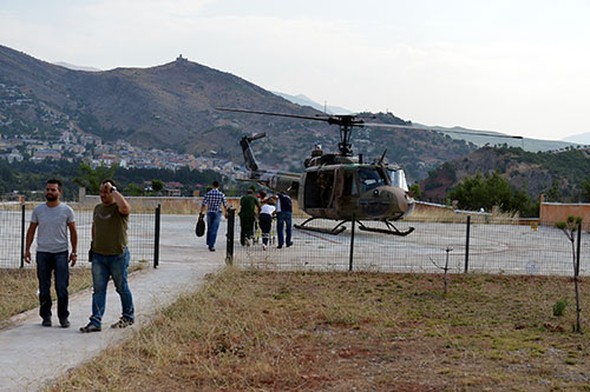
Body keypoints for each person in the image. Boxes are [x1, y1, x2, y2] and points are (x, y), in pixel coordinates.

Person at [80, 179, 134, 333]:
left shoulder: (118, 209)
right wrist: (93, 244)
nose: (103, 195)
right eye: (101, 191)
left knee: (121, 287)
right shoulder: (97, 208)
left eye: (106, 191)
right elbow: (95, 226)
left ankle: (128, 316)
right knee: (98, 289)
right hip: (99, 256)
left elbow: (125, 207)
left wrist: (113, 190)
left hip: (117, 255)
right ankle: (95, 321)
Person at [24, 179, 77, 328]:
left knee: (61, 287)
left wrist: (74, 252)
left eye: (53, 190)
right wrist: (27, 249)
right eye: (47, 189)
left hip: (60, 253)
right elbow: (31, 230)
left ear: (59, 192)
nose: (49, 192)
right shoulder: (38, 210)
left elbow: (73, 232)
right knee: (44, 287)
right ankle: (46, 316)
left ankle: (63, 317)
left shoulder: (67, 210)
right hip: (43, 253)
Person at [199, 180, 229, 252]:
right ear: (218, 186)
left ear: (212, 185)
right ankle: (211, 245)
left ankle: (208, 242)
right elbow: (225, 205)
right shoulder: (221, 194)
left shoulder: (208, 194)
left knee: (209, 228)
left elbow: (204, 204)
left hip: (209, 212)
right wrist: (226, 213)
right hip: (217, 212)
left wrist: (201, 212)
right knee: (214, 229)